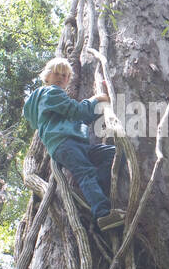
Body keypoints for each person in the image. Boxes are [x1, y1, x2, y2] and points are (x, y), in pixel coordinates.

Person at [23, 58, 124, 231]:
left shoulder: (51, 100)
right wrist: (96, 99)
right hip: (66, 142)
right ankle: (103, 214)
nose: (61, 78)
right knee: (85, 173)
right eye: (57, 73)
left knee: (112, 154)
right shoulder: (51, 93)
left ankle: (92, 193)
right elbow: (78, 112)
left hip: (74, 144)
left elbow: (81, 116)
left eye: (65, 75)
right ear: (46, 76)